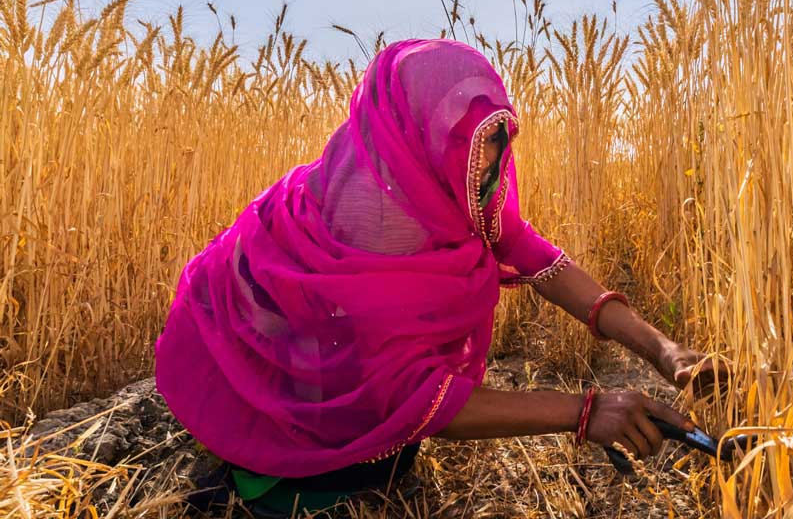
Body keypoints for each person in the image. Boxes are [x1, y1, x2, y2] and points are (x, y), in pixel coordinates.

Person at [154, 38, 717, 516]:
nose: (493, 160)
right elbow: (412, 394)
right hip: (280, 422)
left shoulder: (453, 183)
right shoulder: (371, 222)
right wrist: (585, 412)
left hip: (341, 381)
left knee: (395, 458)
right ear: (417, 133)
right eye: (474, 139)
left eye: (499, 138)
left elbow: (535, 255)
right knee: (335, 485)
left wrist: (663, 349)